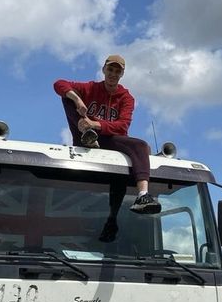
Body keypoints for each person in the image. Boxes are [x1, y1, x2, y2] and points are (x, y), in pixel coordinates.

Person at [54, 56, 161, 232]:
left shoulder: (126, 98)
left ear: (122, 74)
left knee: (142, 146)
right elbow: (59, 83)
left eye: (117, 71)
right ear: (104, 70)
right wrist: (77, 99)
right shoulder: (90, 88)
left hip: (108, 138)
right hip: (83, 135)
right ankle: (87, 136)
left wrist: (95, 125)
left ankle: (142, 195)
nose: (113, 74)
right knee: (67, 97)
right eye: (110, 70)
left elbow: (122, 125)